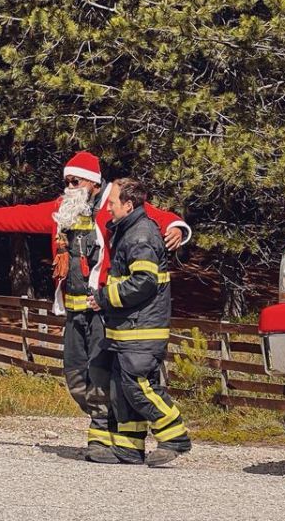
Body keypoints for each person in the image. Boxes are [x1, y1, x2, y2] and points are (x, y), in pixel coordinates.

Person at [0, 152, 190, 459]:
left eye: (76, 181)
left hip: (104, 308)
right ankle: (108, 435)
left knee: (103, 375)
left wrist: (176, 227)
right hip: (75, 310)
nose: (69, 187)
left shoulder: (115, 202)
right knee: (76, 376)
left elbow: (152, 215)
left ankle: (107, 439)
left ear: (94, 183)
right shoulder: (65, 209)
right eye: (67, 181)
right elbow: (25, 216)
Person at [89, 177, 191, 467]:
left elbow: (144, 282)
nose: (108, 208)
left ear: (128, 205)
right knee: (122, 389)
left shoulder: (141, 235)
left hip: (142, 329)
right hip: (128, 328)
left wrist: (104, 298)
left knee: (138, 386)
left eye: (112, 203)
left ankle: (175, 436)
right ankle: (128, 448)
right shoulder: (128, 230)